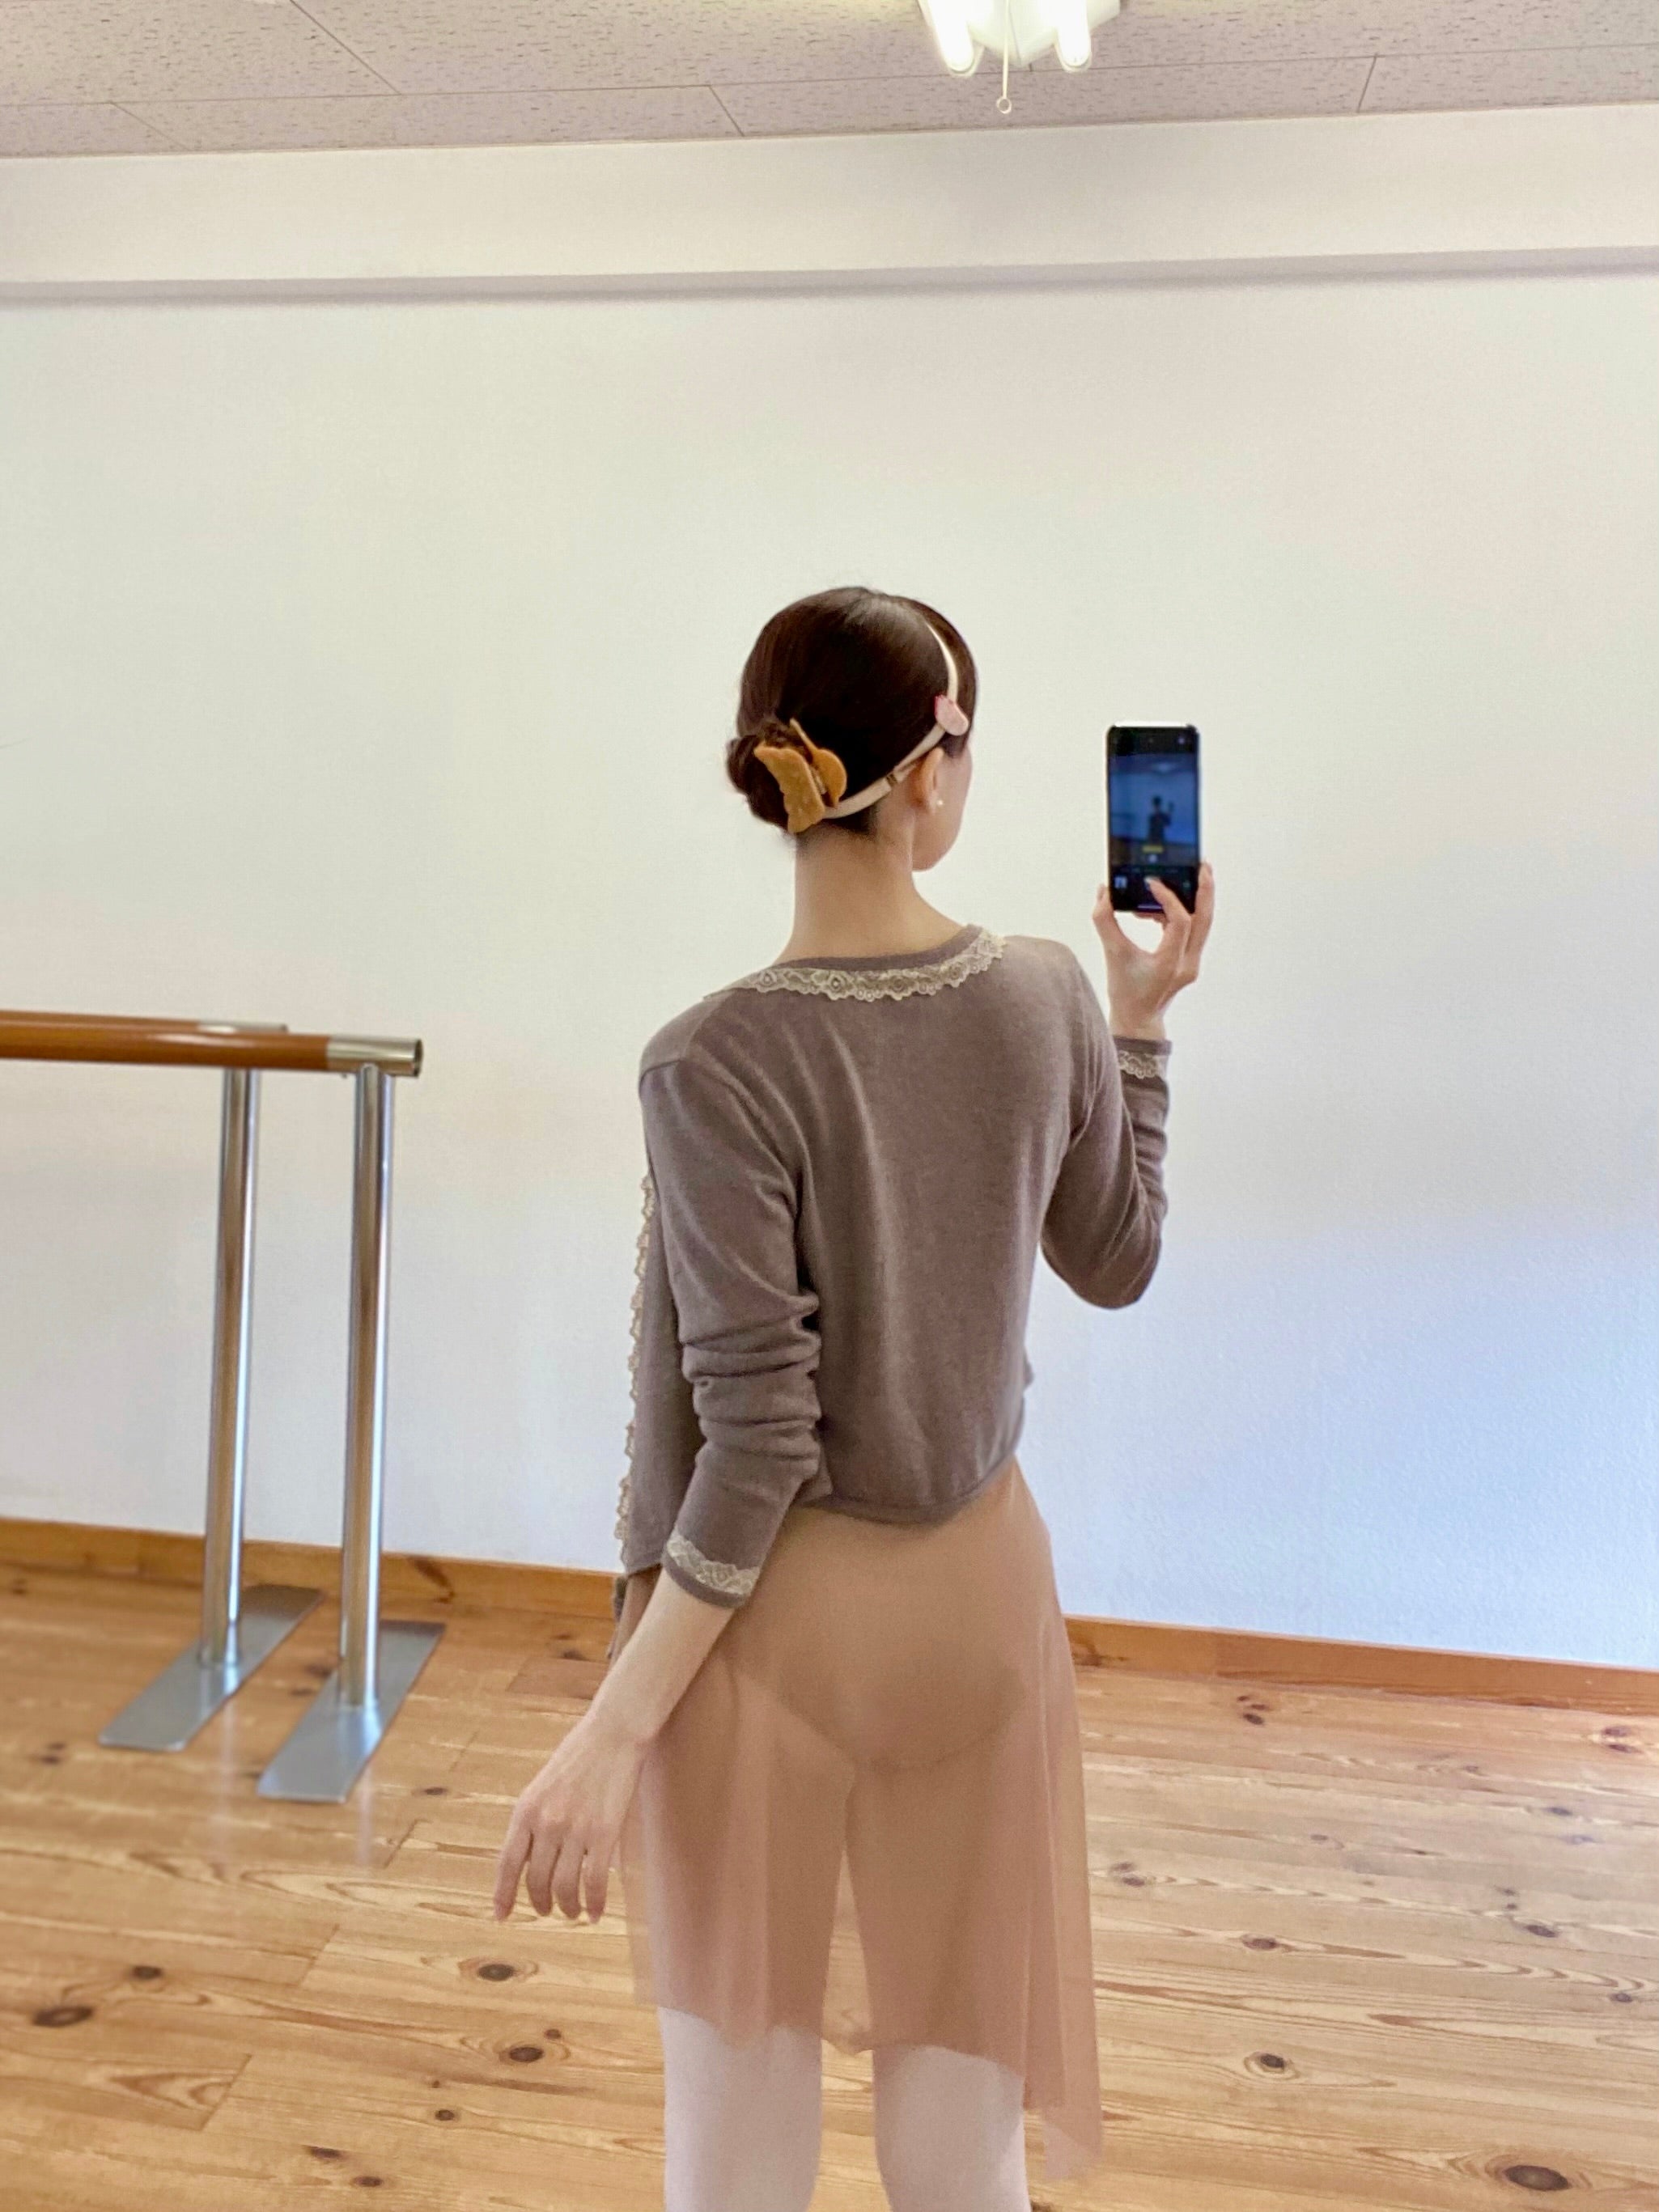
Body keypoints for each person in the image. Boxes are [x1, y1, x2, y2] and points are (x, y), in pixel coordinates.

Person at [494, 586, 1215, 2212]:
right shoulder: (1046, 995)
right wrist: (1138, 1028)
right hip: (980, 1611)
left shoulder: (707, 1062)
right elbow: (1116, 1258)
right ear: (925, 771)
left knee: (736, 2160)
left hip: (769, 1636)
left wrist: (608, 1730)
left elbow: (756, 1438)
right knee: (961, 2153)